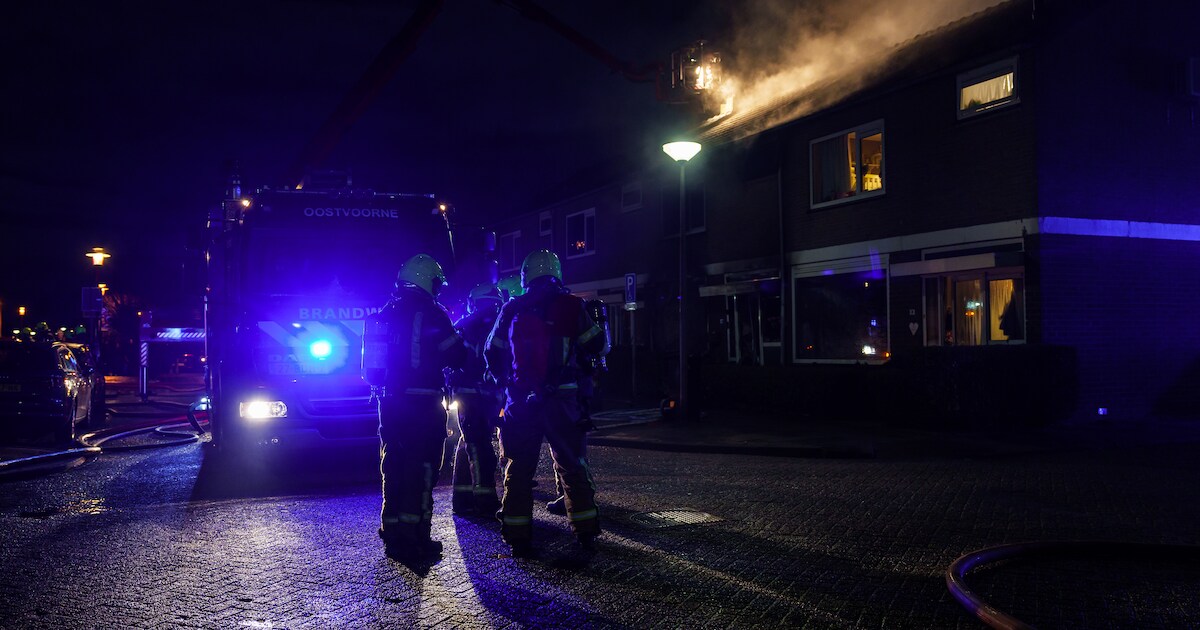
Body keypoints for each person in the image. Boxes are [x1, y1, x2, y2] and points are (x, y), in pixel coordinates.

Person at [485, 250, 610, 557]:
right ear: (557, 274)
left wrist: (507, 382)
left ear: (527, 276)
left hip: (521, 404)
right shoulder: (573, 306)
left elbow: (491, 352)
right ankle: (585, 533)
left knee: (518, 469)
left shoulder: (511, 308)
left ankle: (517, 536)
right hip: (562, 402)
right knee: (572, 466)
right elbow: (597, 345)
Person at [362, 253, 467, 564]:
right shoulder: (433, 313)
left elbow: (374, 370)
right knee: (422, 469)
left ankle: (392, 529)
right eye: (436, 283)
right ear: (426, 280)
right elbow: (457, 355)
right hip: (423, 404)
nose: (438, 289)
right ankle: (415, 537)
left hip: (390, 402)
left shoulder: (385, 311)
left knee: (394, 463)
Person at [547, 298, 610, 516]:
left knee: (568, 451)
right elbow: (598, 344)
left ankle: (581, 497)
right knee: (567, 449)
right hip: (573, 391)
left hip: (558, 392)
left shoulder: (530, 307)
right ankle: (571, 497)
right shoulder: (572, 308)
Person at [448, 283, 505, 517]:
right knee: (480, 448)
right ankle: (485, 501)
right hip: (490, 396)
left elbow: (452, 361)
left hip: (466, 396)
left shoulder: (463, 326)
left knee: (470, 444)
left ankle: (462, 499)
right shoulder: (502, 324)